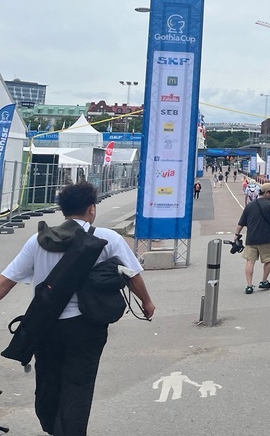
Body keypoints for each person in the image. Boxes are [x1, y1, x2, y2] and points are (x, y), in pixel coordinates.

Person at [0, 182, 155, 436]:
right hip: (86, 326)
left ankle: (54, 427)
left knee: (48, 381)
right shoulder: (107, 239)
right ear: (91, 209)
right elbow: (133, 275)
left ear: (63, 210)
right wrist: (147, 303)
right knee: (78, 386)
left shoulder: (38, 240)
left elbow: (5, 282)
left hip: (45, 326)